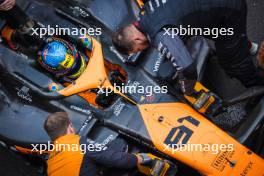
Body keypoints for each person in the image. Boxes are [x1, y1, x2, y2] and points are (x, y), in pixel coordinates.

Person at [112, 0, 264, 96]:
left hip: (230, 9)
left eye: (137, 49)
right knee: (221, 37)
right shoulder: (146, 10)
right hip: (210, 9)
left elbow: (188, 68)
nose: (141, 50)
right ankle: (248, 46)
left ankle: (257, 86)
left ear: (136, 38)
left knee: (232, 62)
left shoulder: (161, 35)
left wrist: (187, 89)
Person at [44, 112, 173, 176]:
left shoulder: (50, 164)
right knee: (121, 148)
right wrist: (141, 158)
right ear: (70, 127)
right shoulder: (78, 143)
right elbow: (117, 159)